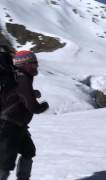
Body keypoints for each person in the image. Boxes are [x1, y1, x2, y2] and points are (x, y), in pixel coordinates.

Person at [0, 50, 49, 180]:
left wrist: (33, 93)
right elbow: (32, 106)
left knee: (28, 151)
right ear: (24, 63)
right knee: (5, 164)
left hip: (17, 126)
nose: (36, 66)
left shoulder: (17, 77)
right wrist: (43, 106)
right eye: (33, 63)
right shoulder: (23, 78)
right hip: (8, 126)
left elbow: (18, 95)